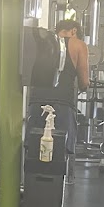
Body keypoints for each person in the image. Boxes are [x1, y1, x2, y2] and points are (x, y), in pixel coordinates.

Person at [27, 20, 90, 154]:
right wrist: (84, 86)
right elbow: (84, 82)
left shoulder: (43, 42)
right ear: (74, 31)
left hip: (37, 102)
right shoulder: (78, 44)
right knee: (60, 153)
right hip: (62, 104)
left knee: (34, 151)